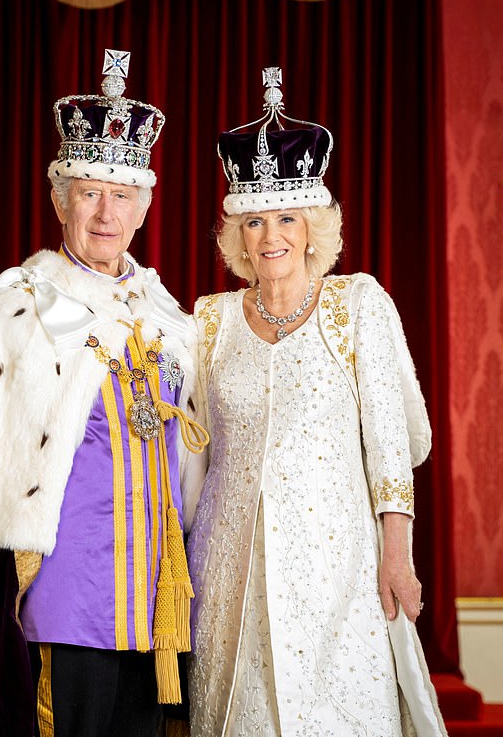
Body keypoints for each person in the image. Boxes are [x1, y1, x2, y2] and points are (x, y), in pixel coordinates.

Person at [0, 49, 207, 737]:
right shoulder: (16, 311)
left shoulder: (169, 322)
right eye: (88, 191)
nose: (104, 211)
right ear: (59, 197)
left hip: (151, 613)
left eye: (121, 195)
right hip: (61, 606)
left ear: (144, 206)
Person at [185, 68, 447, 737]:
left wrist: (398, 554)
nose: (270, 235)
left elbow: (392, 442)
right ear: (236, 232)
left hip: (340, 574)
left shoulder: (357, 304)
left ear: (313, 227)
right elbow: (190, 452)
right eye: (254, 220)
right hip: (229, 575)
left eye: (286, 217)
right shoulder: (208, 322)